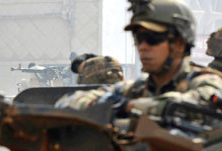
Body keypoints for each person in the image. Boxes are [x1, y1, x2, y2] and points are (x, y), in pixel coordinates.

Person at [57, 0, 222, 122]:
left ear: (178, 43)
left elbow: (193, 105)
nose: (143, 46)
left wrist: (127, 107)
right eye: (139, 38)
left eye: (152, 38)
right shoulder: (136, 89)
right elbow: (67, 104)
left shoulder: (207, 82)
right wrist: (110, 104)